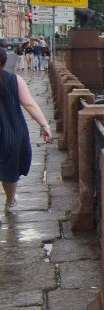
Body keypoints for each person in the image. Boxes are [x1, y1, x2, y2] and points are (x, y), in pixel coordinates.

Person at [0, 49, 53, 207]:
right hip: (12, 131)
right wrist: (45, 125)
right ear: (4, 61)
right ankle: (10, 201)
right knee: (10, 170)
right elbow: (29, 104)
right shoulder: (14, 80)